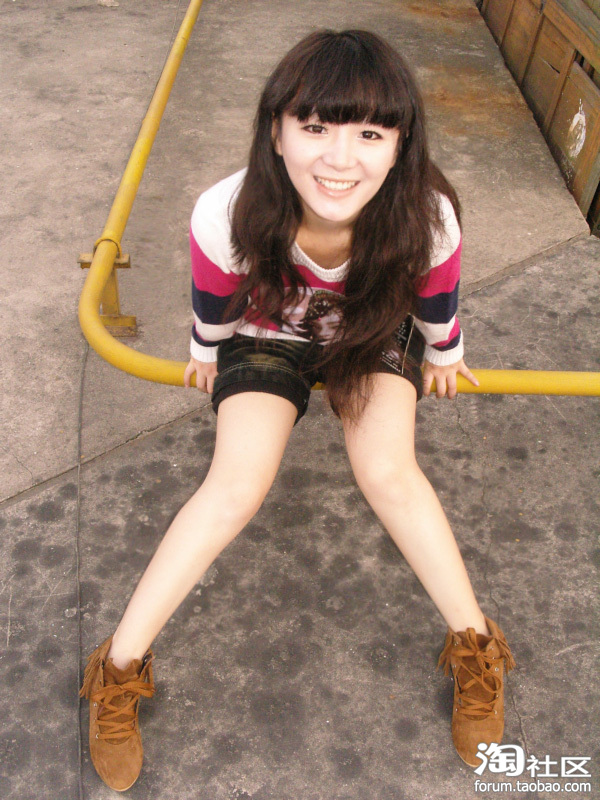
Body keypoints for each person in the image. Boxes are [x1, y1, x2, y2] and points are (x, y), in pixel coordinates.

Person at [80, 29, 516, 792]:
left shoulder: (429, 213)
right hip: (265, 330)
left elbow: (436, 298)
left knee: (389, 474)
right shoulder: (226, 209)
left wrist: (446, 355)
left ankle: (478, 651)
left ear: (400, 145)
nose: (339, 159)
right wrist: (206, 349)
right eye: (315, 127)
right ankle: (115, 672)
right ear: (276, 131)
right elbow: (214, 299)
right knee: (233, 488)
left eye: (370, 134)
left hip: (372, 328)